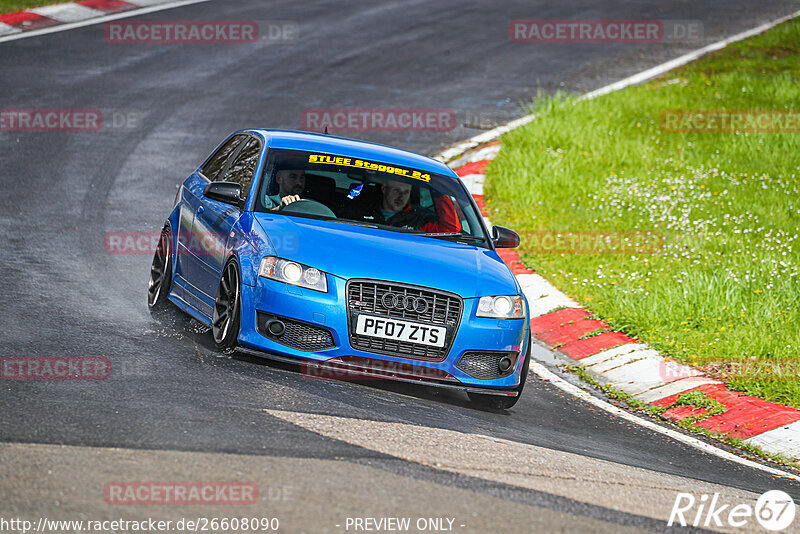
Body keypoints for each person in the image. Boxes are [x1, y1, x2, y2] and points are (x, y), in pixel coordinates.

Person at [349, 179, 462, 233]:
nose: (401, 196)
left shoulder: (419, 219)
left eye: (406, 192)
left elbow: (451, 230)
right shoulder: (359, 210)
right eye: (396, 190)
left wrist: (439, 191)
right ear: (384, 189)